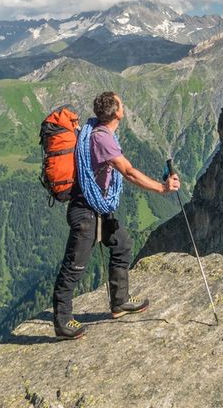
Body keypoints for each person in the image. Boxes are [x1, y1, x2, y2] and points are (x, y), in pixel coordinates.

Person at [52, 90, 180, 339]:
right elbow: (128, 172)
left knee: (122, 243)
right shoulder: (103, 139)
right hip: (86, 210)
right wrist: (162, 188)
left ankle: (119, 301)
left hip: (96, 207)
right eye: (122, 103)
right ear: (117, 112)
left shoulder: (95, 130)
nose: (125, 106)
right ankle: (62, 320)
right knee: (75, 266)